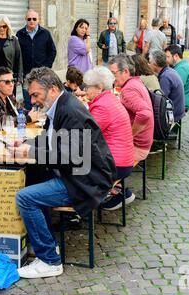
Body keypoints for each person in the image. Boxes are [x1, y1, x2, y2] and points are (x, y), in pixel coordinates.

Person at [11, 67, 116, 278]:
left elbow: (70, 156)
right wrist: (26, 143)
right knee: (31, 180)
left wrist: (30, 150)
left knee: (25, 198)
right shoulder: (60, 106)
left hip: (85, 181)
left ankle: (50, 260)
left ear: (52, 90)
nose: (32, 101)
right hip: (77, 174)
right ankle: (47, 243)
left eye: (35, 95)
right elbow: (52, 141)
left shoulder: (70, 111)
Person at [83, 66, 135, 210]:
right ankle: (120, 192)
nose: (85, 90)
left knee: (72, 169)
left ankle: (77, 209)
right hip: (123, 159)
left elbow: (85, 135)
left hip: (116, 164)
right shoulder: (110, 99)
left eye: (87, 87)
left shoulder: (102, 107)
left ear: (99, 87)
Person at [109, 54, 154, 162]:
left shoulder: (128, 90)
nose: (111, 78)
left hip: (137, 147)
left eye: (113, 73)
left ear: (125, 71)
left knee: (92, 150)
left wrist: (129, 135)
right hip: (144, 143)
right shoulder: (136, 81)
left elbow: (145, 114)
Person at [0, 67, 38, 134]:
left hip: (5, 135)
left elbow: (20, 111)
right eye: (7, 82)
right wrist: (28, 118)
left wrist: (35, 113)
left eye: (12, 81)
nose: (11, 85)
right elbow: (3, 124)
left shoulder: (9, 95)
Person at [16, 9, 57, 109]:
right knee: (28, 101)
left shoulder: (45, 33)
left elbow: (52, 51)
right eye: (29, 19)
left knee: (41, 100)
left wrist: (46, 67)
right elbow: (17, 54)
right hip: (26, 74)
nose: (32, 21)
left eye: (34, 19)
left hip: (41, 74)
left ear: (38, 20)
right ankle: (31, 120)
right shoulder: (19, 34)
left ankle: (41, 121)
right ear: (26, 19)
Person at [149, 50, 185, 123]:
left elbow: (160, 100)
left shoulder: (165, 77)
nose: (148, 65)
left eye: (150, 63)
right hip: (178, 110)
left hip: (173, 115)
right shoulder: (169, 71)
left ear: (155, 64)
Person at [165, 45, 189, 112]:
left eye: (168, 57)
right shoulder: (182, 65)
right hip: (181, 103)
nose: (166, 60)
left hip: (180, 104)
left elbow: (175, 88)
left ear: (176, 56)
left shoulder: (181, 68)